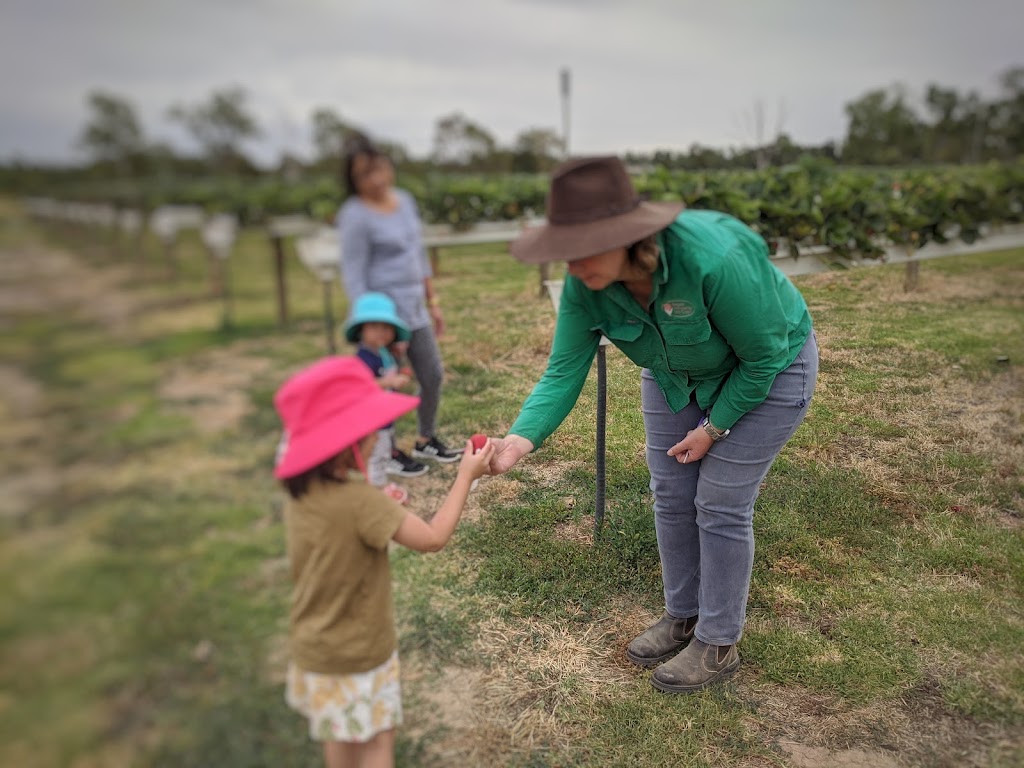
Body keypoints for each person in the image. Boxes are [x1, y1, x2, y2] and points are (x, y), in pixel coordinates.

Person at [488, 156, 818, 694]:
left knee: (719, 501)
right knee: (670, 491)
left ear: (630, 237)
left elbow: (762, 358)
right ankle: (683, 615)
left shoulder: (714, 259)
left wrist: (714, 428)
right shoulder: (585, 285)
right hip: (676, 374)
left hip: (771, 369)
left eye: (583, 249)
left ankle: (717, 641)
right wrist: (519, 442)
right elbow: (564, 368)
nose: (572, 268)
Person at [274, 356, 493, 768]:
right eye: (371, 428)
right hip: (361, 652)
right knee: (376, 742)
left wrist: (378, 509)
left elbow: (341, 534)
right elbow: (432, 539)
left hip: (315, 648)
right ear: (348, 442)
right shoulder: (361, 503)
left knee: (339, 736)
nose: (378, 436)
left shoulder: (300, 497)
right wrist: (466, 475)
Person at [338, 134, 463, 477]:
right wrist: (373, 325)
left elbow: (417, 254)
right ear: (354, 181)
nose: (376, 180)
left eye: (378, 169)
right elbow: (354, 275)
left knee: (432, 374)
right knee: (388, 384)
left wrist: (432, 301)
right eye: (364, 175)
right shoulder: (355, 215)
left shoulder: (404, 201)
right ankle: (387, 450)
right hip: (384, 316)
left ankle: (425, 439)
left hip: (415, 309)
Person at [344, 291, 416, 504]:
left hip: (384, 413)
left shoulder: (382, 352)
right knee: (377, 453)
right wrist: (389, 383)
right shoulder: (363, 358)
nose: (381, 332)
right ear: (361, 330)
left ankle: (378, 485)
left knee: (384, 450)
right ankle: (377, 491)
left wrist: (400, 374)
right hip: (372, 417)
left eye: (386, 327)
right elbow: (360, 386)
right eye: (374, 327)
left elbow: (389, 370)